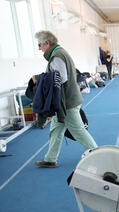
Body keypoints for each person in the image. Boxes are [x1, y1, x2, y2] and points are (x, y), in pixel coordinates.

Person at [33, 30, 97, 168]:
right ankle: (50, 159)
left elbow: (61, 78)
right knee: (55, 130)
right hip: (63, 101)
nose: (39, 48)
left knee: (79, 131)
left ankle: (98, 155)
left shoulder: (57, 56)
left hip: (66, 102)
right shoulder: (59, 52)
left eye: (40, 45)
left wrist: (39, 78)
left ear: (47, 43)